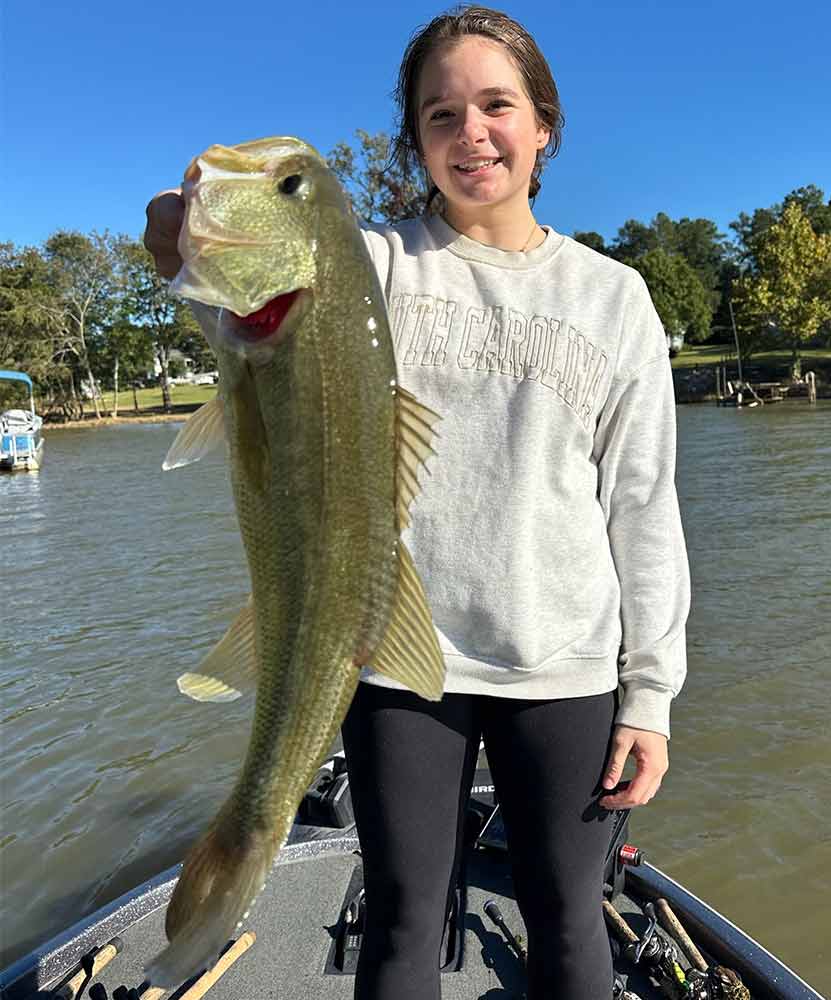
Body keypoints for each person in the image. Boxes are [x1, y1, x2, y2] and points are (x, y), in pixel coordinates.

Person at [143, 7, 690, 999]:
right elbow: (219, 299)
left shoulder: (614, 298)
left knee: (570, 916)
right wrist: (180, 235)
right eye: (441, 114)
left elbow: (644, 507)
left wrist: (648, 694)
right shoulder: (368, 264)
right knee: (400, 913)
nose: (470, 132)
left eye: (497, 105)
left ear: (544, 126)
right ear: (416, 140)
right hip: (397, 659)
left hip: (565, 664)